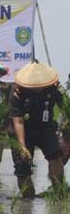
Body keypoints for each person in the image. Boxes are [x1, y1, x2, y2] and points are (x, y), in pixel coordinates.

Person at [10, 61, 64, 198]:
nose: (37, 88)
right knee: (23, 167)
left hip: (45, 127)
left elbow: (65, 106)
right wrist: (22, 146)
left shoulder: (54, 87)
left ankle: (58, 194)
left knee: (55, 157)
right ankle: (28, 200)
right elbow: (18, 121)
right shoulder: (17, 92)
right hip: (23, 130)